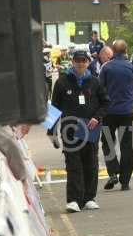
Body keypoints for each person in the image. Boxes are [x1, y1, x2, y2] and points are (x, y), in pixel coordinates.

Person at [47, 50, 110, 213]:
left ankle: (89, 198)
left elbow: (105, 103)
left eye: (83, 61)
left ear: (88, 62)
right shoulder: (61, 82)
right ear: (72, 62)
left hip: (91, 130)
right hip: (70, 130)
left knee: (91, 164)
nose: (80, 64)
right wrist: (51, 131)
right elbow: (54, 108)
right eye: (77, 61)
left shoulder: (95, 82)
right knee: (73, 164)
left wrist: (97, 117)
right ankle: (74, 199)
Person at [100, 39, 133, 191]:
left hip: (109, 112)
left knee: (108, 142)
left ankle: (113, 171)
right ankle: (125, 181)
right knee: (126, 146)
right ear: (125, 51)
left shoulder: (106, 67)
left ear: (113, 51)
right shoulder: (130, 67)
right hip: (126, 112)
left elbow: (100, 88)